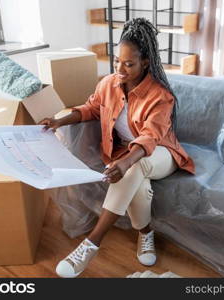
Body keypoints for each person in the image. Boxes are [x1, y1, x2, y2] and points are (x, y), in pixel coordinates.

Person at [38, 18, 195, 278]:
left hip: (162, 153)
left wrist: (124, 162)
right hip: (129, 155)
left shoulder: (160, 96)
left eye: (129, 64)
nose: (120, 69)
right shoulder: (108, 84)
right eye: (116, 62)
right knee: (137, 181)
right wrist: (59, 120)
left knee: (136, 165)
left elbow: (150, 137)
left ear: (145, 63)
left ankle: (91, 243)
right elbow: (91, 108)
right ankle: (146, 233)